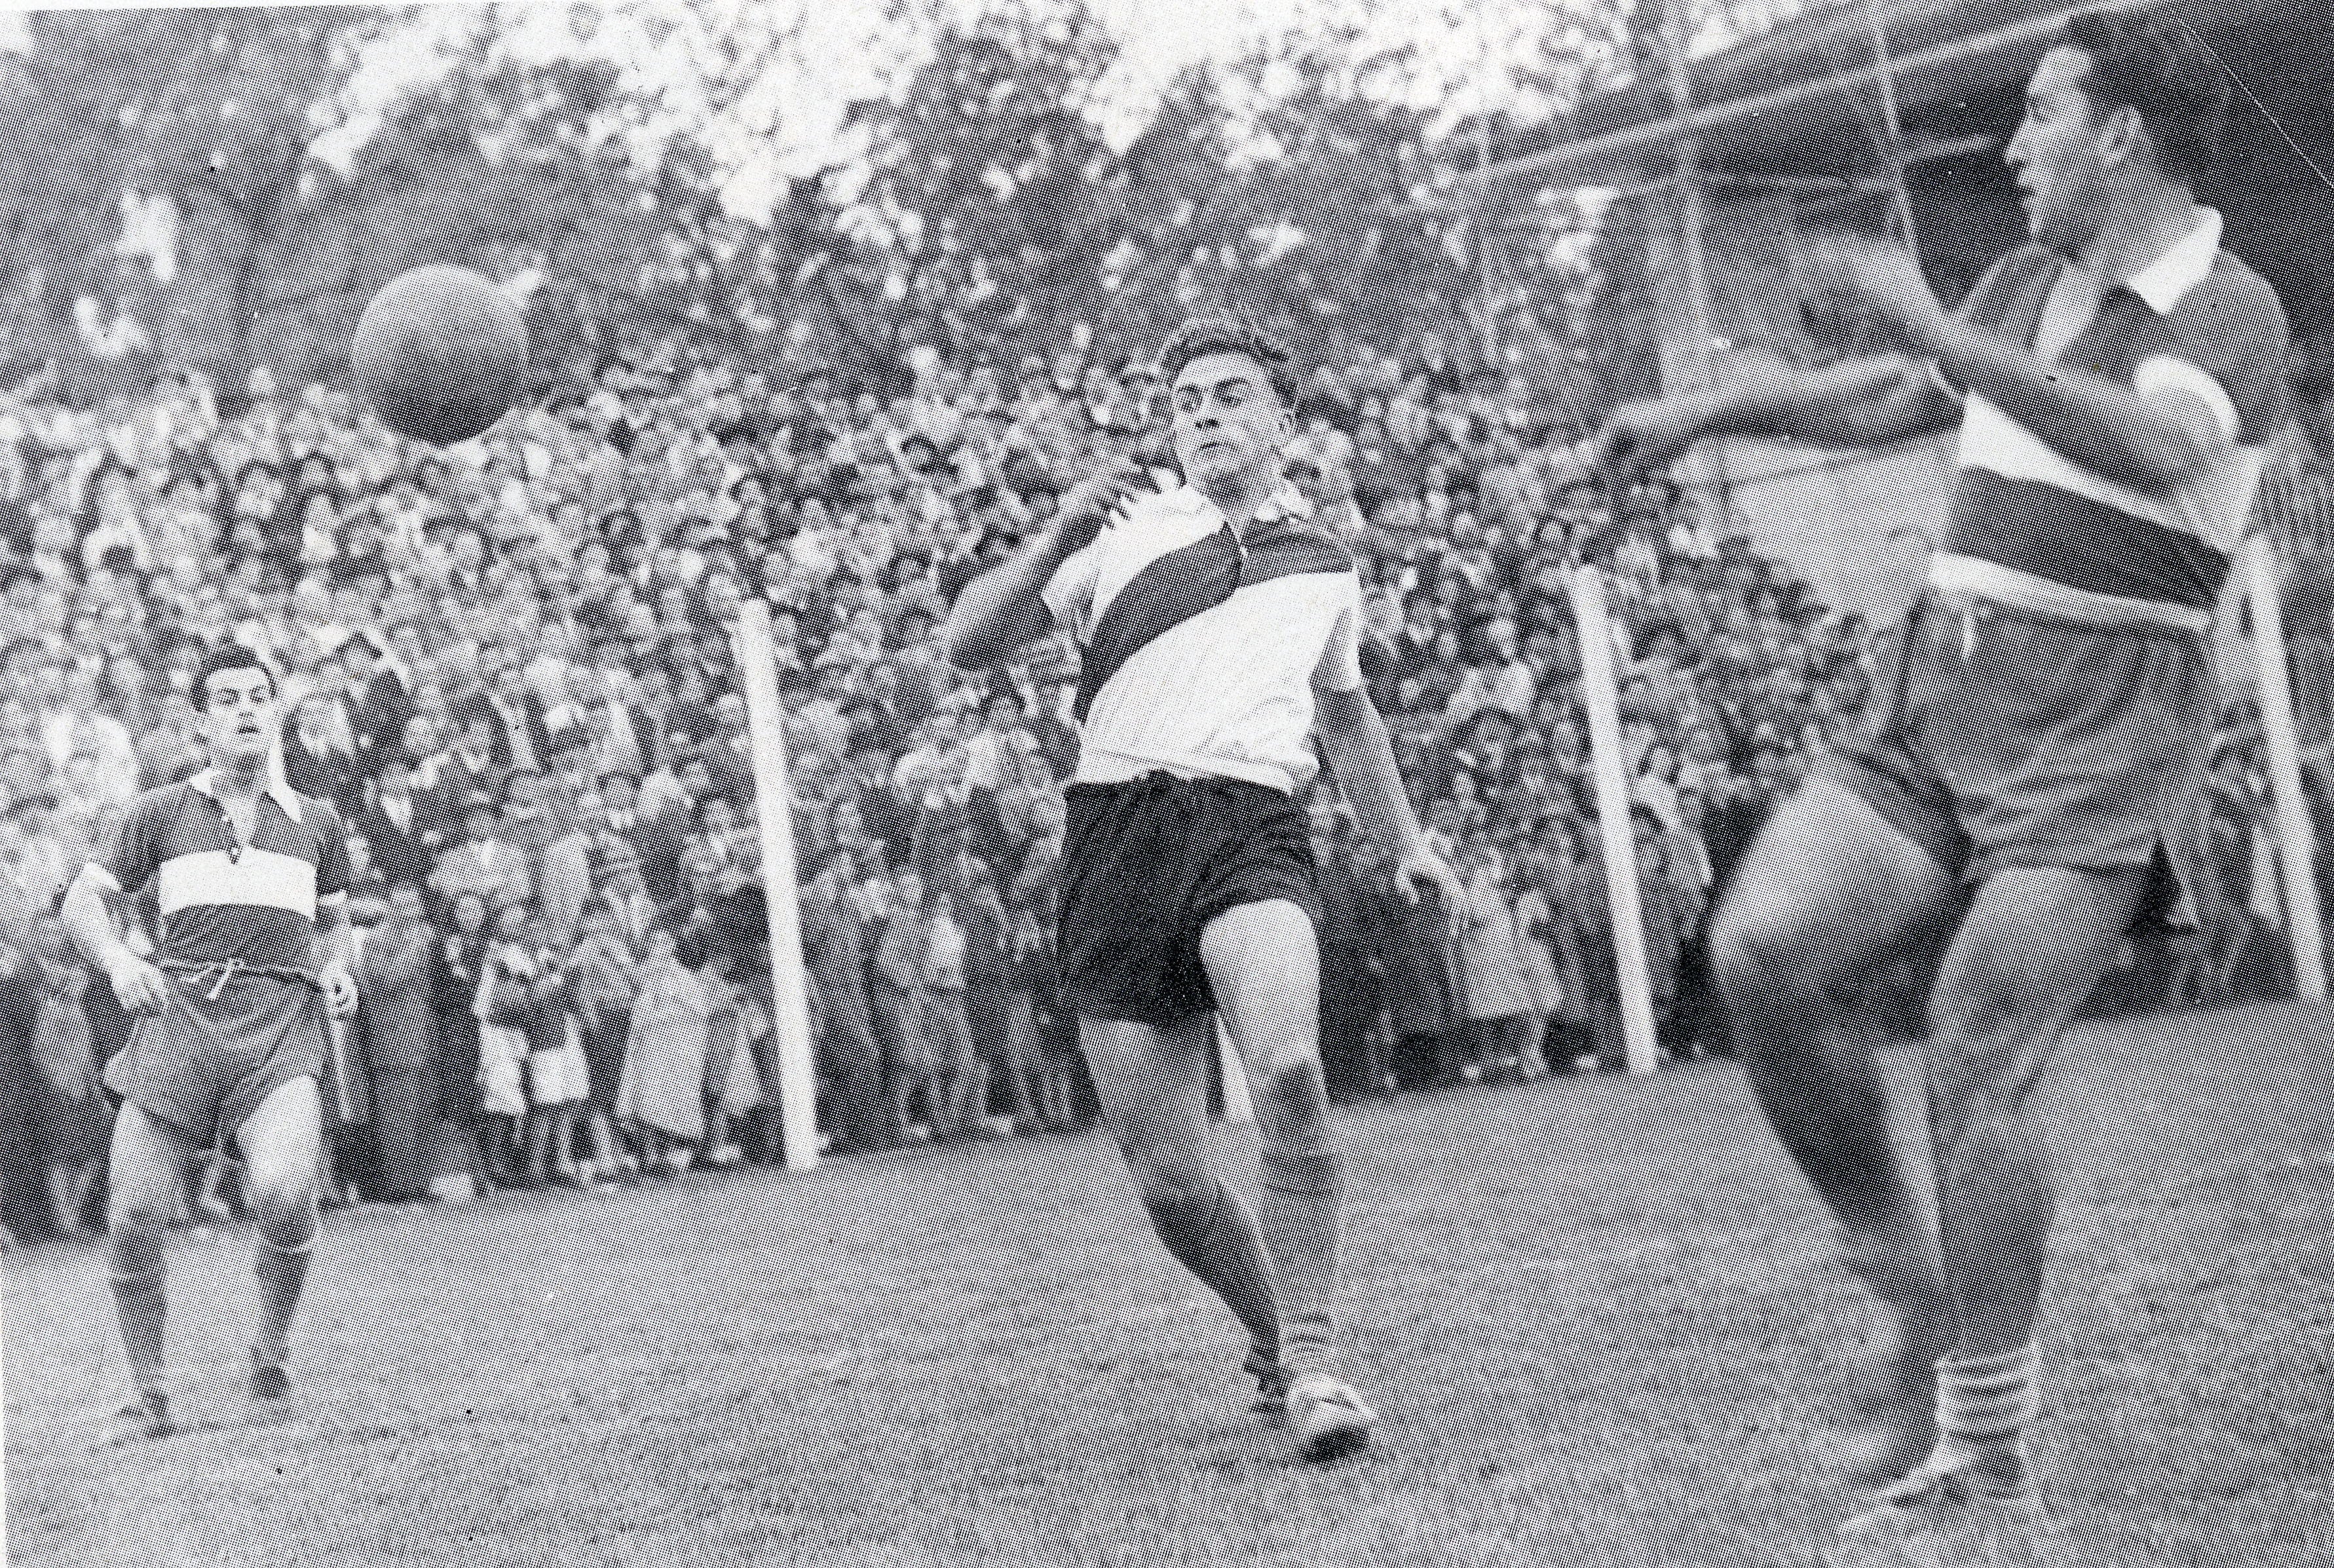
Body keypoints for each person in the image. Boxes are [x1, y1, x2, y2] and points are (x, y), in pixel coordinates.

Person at [1597, 10, 2289, 1535]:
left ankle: (1984, 1452)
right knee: (1765, 951)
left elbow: (2156, 453)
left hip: (2100, 714)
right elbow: (1902, 396)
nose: (2012, 144)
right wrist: (1705, 408)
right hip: (1946, 683)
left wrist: (1939, 324)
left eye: (2041, 114)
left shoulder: (2229, 306)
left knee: (1980, 1044)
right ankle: (1901, 1273)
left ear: (2122, 136)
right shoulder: (2026, 282)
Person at [944, 316, 1459, 1461]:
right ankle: (1281, 1345)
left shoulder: (1325, 560)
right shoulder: (1122, 533)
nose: (1206, 414)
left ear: (1281, 419)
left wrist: (1404, 839)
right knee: (1172, 1183)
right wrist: (1049, 539)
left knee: (1286, 1063)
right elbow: (965, 642)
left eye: (1230, 394)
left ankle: (1317, 1364)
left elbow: (1342, 709)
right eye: (1187, 400)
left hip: (1249, 825)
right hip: (1116, 833)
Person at [59, 644, 358, 1440]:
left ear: (276, 712)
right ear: (202, 721)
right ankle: (147, 1395)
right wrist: (120, 957)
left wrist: (336, 971)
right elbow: (82, 906)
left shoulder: (318, 823)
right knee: (132, 1214)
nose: (246, 711)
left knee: (287, 1194)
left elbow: (333, 926)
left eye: (259, 696)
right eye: (227, 699)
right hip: (178, 1019)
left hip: (278, 1025)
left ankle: (270, 1350)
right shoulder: (158, 811)